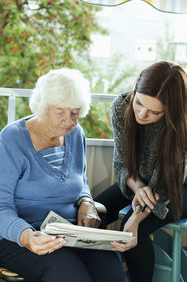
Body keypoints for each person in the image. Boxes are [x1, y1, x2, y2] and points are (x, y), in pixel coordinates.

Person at [0, 68, 125, 282]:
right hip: (19, 237)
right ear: (42, 105)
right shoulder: (11, 139)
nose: (69, 121)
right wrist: (27, 236)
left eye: (75, 113)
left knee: (110, 271)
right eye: (60, 112)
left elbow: (80, 183)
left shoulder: (75, 135)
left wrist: (86, 201)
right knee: (70, 274)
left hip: (70, 234)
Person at [95, 61, 187, 282]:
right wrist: (139, 187)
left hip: (185, 186)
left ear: (170, 111)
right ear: (135, 90)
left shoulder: (186, 122)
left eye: (154, 112)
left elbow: (170, 182)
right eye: (139, 102)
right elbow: (122, 165)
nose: (141, 114)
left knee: (132, 229)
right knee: (96, 214)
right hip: (141, 180)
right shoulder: (121, 106)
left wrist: (135, 219)